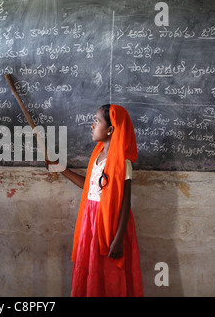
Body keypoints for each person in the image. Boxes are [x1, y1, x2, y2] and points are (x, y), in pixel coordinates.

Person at [48, 104, 143, 297]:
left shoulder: (123, 162)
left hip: (111, 224)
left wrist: (117, 240)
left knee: (109, 273)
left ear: (110, 130)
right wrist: (61, 169)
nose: (92, 126)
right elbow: (90, 187)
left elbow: (126, 202)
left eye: (97, 121)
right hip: (90, 220)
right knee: (91, 267)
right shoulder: (97, 156)